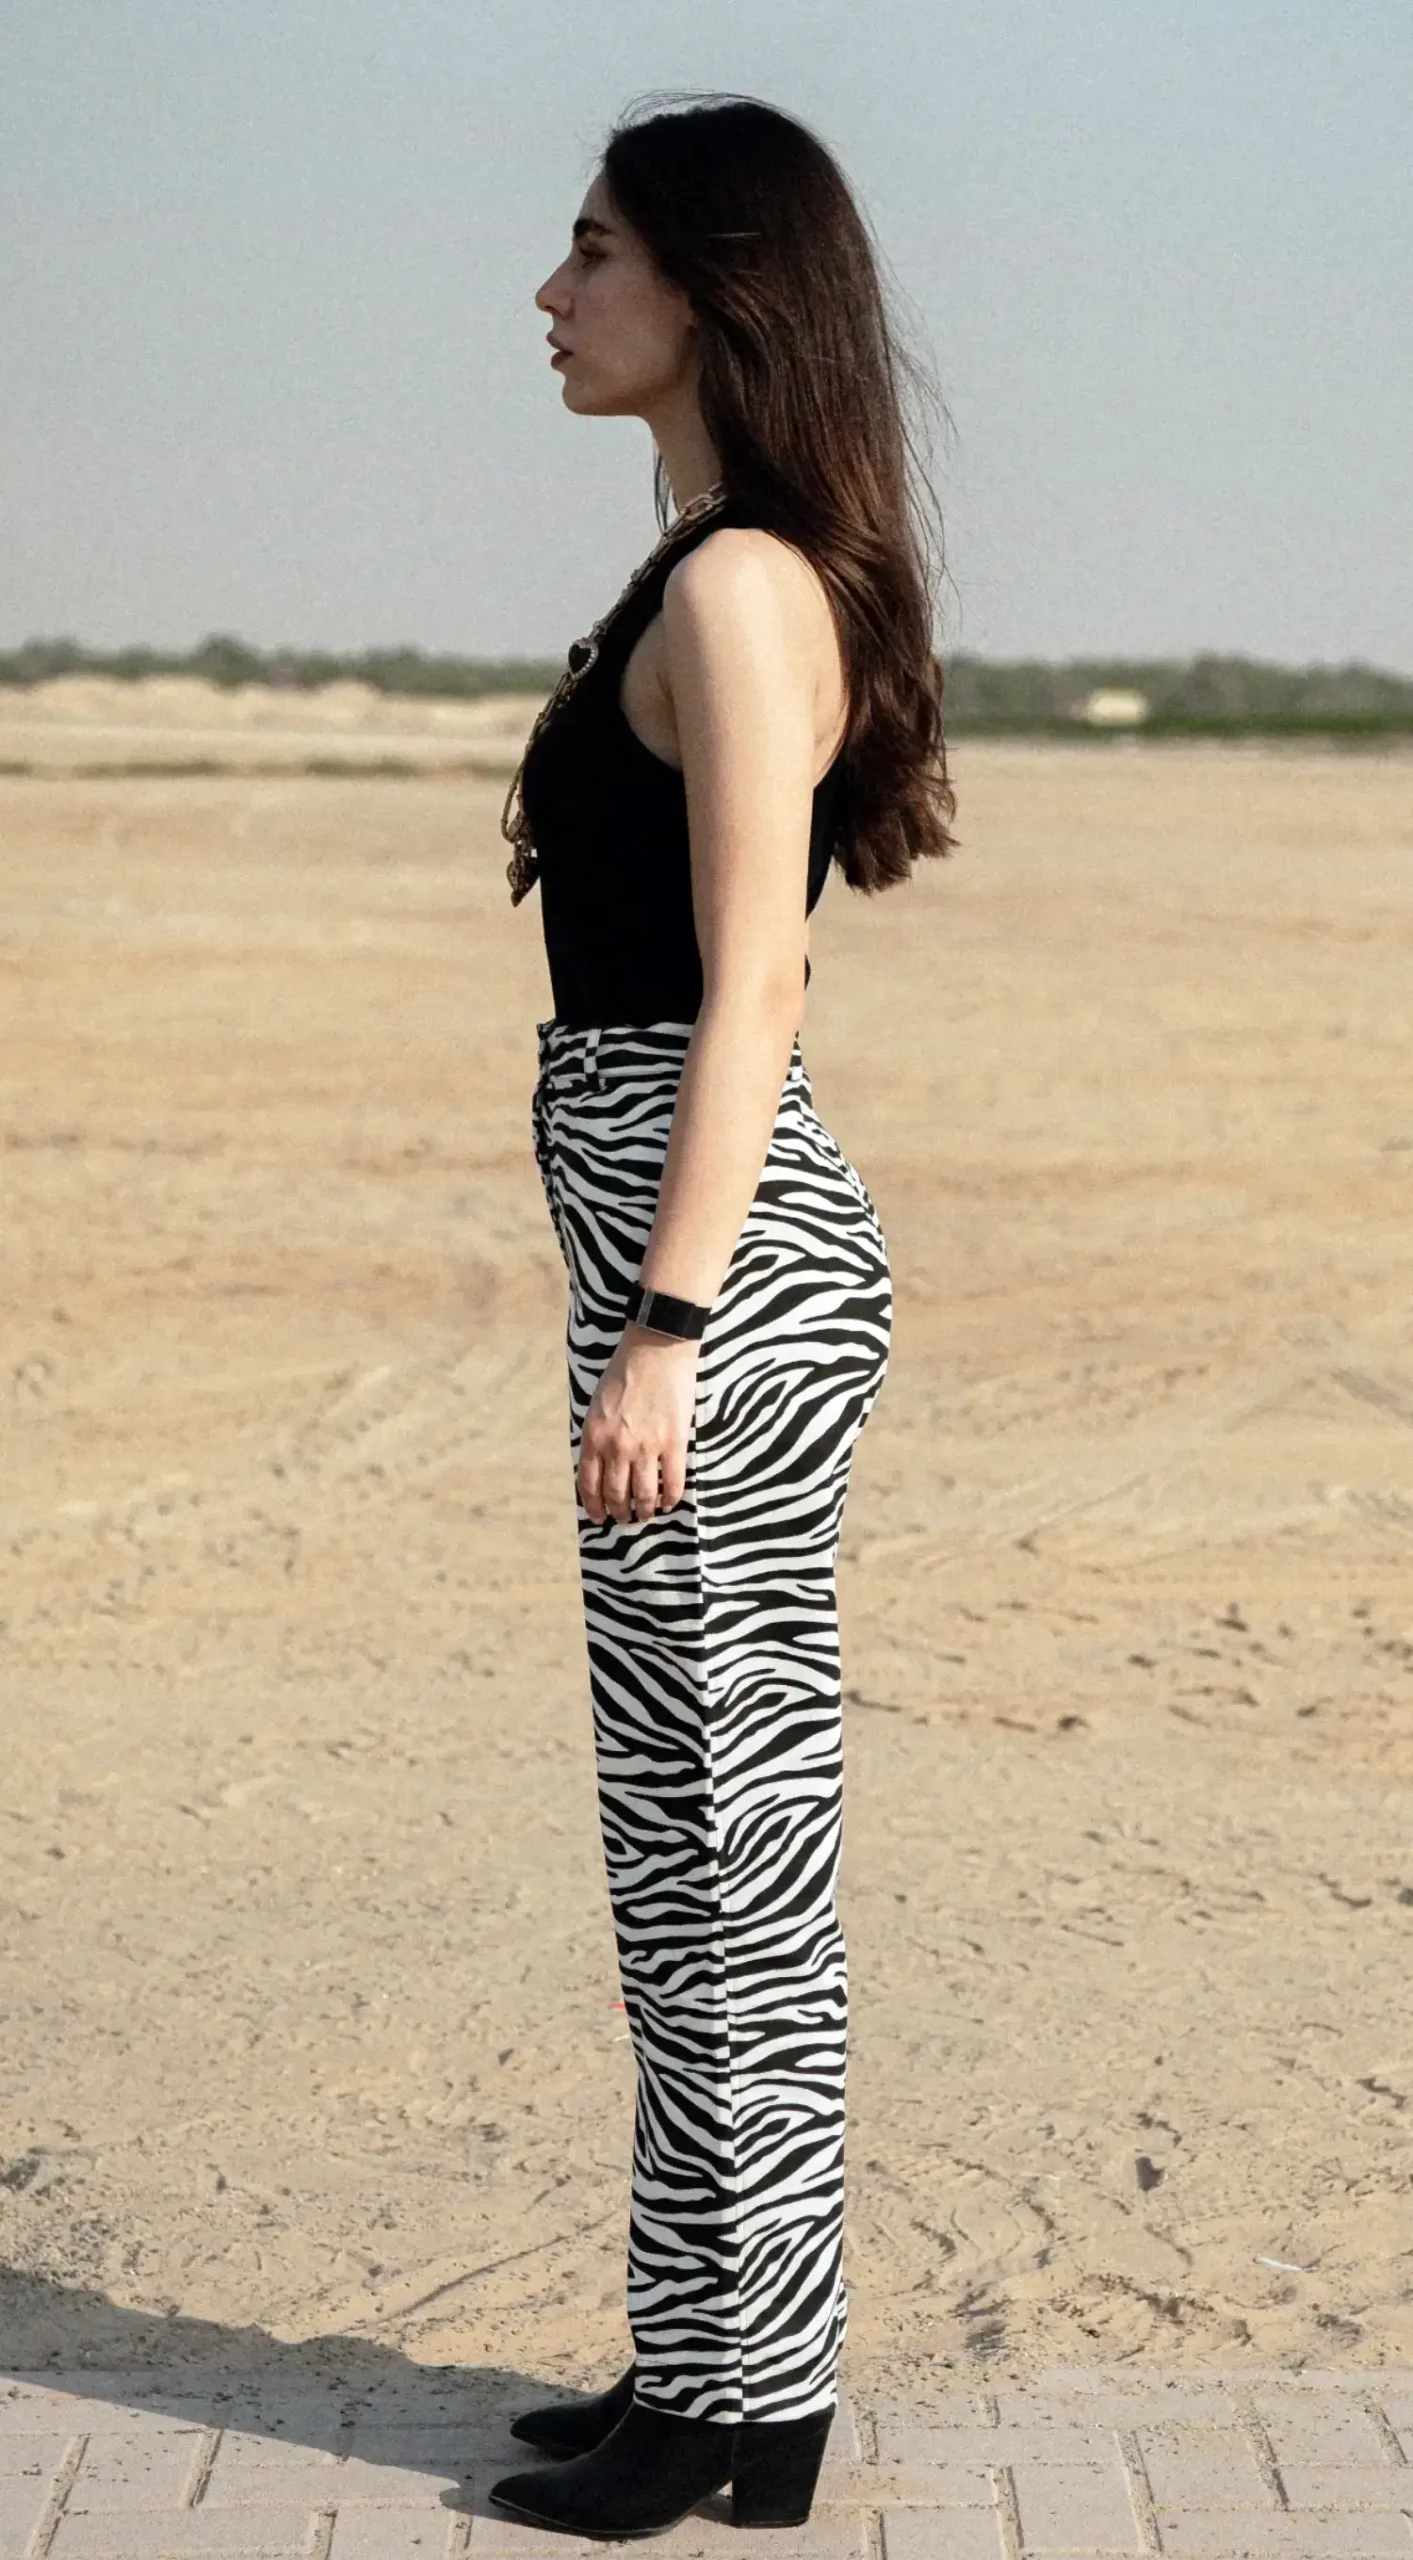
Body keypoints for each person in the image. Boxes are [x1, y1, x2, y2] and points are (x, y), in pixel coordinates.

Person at [489, 91, 956, 2541]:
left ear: (714, 287)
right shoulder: (693, 568)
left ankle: (744, 2391)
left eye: (594, 250)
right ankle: (713, 2360)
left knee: (728, 1842)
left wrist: (669, 1320)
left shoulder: (744, 586)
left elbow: (750, 985)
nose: (552, 294)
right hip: (680, 1255)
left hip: (723, 1273)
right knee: (677, 1840)